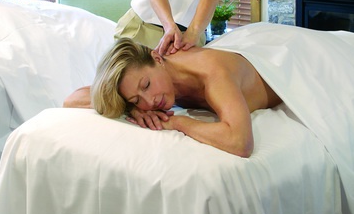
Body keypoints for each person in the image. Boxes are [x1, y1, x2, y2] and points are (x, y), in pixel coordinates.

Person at [83, 37, 283, 158]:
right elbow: (73, 98)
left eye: (146, 85)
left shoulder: (212, 73)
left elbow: (241, 143)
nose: (149, 102)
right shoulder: (146, 80)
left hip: (281, 56)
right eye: (136, 99)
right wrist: (131, 109)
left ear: (157, 58)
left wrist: (178, 123)